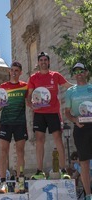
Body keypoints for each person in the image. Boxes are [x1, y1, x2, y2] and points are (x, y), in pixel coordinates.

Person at [27, 52, 72, 180]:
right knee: (39, 141)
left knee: (58, 138)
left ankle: (63, 170)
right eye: (41, 60)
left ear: (48, 62)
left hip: (53, 112)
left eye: (45, 60)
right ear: (38, 63)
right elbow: (29, 97)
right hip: (39, 114)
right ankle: (39, 171)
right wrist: (31, 105)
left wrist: (81, 87)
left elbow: (68, 86)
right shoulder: (33, 78)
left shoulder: (55, 75)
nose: (43, 62)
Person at [0, 61, 28, 193]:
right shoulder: (3, 87)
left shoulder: (25, 86)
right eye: (12, 70)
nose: (14, 72)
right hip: (5, 122)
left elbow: (30, 101)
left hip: (20, 122)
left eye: (16, 71)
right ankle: (3, 183)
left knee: (20, 152)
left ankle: (20, 183)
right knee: (3, 152)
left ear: (20, 72)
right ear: (10, 71)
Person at [65, 63, 92, 199]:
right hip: (80, 129)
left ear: (86, 73)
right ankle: (88, 195)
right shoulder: (71, 91)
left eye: (81, 70)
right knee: (84, 163)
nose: (79, 73)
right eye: (76, 71)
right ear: (74, 74)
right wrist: (74, 120)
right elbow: (67, 113)